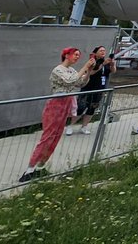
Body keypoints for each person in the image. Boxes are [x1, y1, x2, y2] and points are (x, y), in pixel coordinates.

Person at [19, 47, 97, 182]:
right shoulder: (58, 70)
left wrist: (89, 70)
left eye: (79, 55)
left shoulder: (72, 70)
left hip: (66, 103)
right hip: (56, 104)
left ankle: (40, 165)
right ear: (66, 55)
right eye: (75, 54)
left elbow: (80, 82)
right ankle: (30, 168)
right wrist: (85, 66)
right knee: (48, 136)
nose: (77, 57)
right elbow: (69, 81)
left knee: (56, 136)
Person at [71, 45, 116, 134]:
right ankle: (71, 125)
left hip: (99, 89)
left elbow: (113, 71)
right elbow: (90, 72)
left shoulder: (106, 62)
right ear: (96, 53)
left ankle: (84, 126)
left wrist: (112, 64)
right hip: (88, 88)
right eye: (101, 51)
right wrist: (102, 64)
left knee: (92, 108)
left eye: (104, 50)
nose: (103, 52)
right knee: (81, 107)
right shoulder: (93, 61)